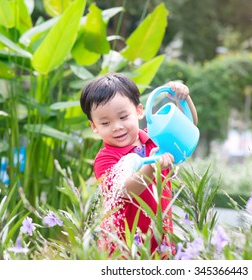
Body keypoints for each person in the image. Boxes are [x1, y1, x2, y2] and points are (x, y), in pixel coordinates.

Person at [80, 73, 198, 258]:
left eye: (123, 116)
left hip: (161, 244)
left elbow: (188, 127)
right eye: (105, 123)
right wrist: (151, 167)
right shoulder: (105, 160)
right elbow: (126, 189)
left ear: (139, 111)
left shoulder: (154, 139)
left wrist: (184, 98)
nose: (117, 126)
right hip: (123, 249)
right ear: (94, 126)